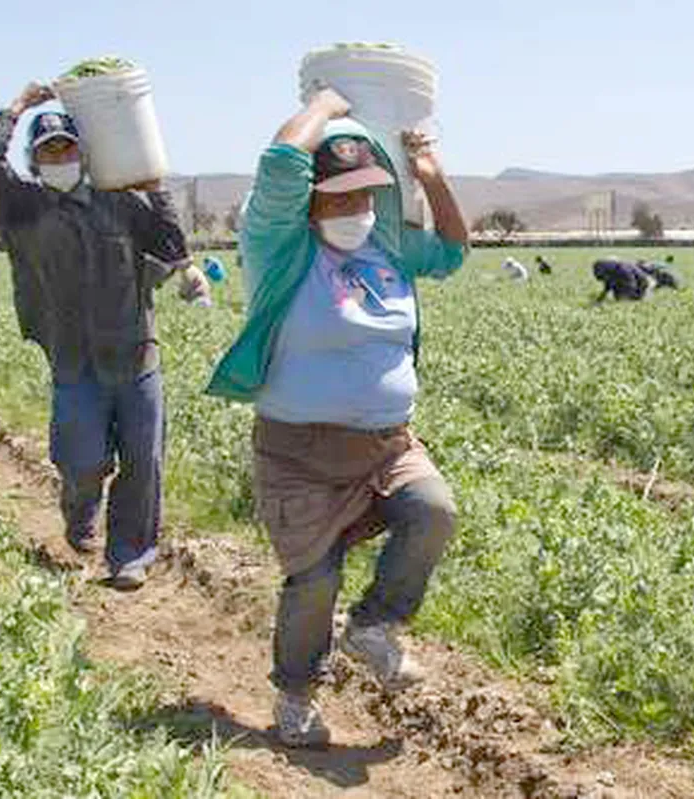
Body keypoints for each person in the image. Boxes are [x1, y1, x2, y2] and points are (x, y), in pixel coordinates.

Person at [206, 87, 468, 748]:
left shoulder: (387, 251)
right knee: (313, 582)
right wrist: (324, 107)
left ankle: (374, 627)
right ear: (312, 200)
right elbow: (279, 166)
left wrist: (433, 178)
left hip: (386, 446)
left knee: (433, 509)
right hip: (298, 453)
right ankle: (296, 693)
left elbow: (456, 249)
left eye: (364, 194)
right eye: (340, 195)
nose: (355, 207)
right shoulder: (282, 253)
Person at [0, 81, 190, 591]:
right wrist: (21, 106)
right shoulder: (22, 210)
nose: (60, 156)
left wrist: (155, 185)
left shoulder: (121, 205)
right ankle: (79, 510)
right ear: (34, 159)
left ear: (85, 155)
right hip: (72, 362)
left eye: (68, 146)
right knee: (81, 462)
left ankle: (129, 556)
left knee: (143, 461)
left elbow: (172, 243)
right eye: (49, 150)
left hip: (137, 356)